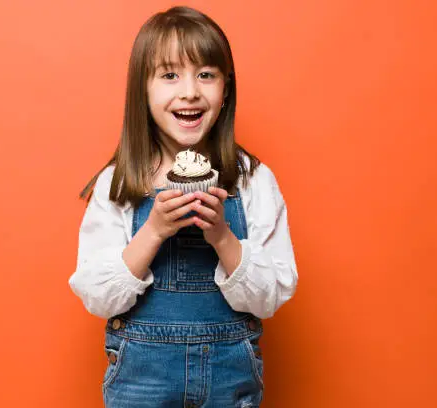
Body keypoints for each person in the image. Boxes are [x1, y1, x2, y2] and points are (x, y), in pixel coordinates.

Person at [69, 6, 298, 408]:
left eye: (206, 74)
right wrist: (154, 230)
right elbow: (98, 297)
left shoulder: (252, 179)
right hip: (141, 384)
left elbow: (271, 297)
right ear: (143, 89)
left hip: (230, 382)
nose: (190, 91)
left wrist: (222, 237)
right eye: (170, 74)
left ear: (226, 88)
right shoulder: (119, 183)